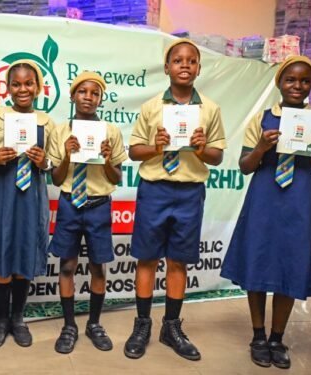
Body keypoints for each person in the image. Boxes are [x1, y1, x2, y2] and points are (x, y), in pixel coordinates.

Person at [221, 55, 311, 369]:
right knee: (258, 261)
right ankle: (258, 335)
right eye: (290, 80)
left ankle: (277, 338)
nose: (297, 86)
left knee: (290, 264)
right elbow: (245, 167)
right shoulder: (262, 119)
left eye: (304, 81)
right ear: (279, 83)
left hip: (299, 199)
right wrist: (261, 147)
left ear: (310, 84)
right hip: (265, 198)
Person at [124, 39, 226, 361]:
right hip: (155, 189)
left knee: (178, 260)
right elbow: (133, 151)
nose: (185, 65)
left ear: (198, 67)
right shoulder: (152, 107)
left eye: (192, 60)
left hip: (189, 191)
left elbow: (217, 156)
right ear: (167, 68)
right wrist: (155, 146)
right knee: (147, 259)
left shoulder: (209, 109)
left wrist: (200, 148)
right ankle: (142, 325)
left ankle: (171, 327)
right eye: (178, 60)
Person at [0, 59, 55, 348]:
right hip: (1, 191)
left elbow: (55, 165)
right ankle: (1, 319)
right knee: (0, 251)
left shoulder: (46, 122)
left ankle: (18, 318)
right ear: (7, 87)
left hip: (30, 196)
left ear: (38, 87)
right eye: (16, 84)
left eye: (28, 83)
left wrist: (43, 161)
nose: (22, 89)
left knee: (24, 252)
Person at [48, 71, 127, 354]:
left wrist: (107, 159)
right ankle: (69, 325)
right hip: (70, 203)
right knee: (67, 266)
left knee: (97, 267)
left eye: (95, 94)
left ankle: (94, 323)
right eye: (83, 92)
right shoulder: (60, 131)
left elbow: (116, 177)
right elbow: (56, 179)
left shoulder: (111, 132)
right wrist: (68, 155)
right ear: (73, 96)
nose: (89, 98)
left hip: (98, 205)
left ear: (100, 99)